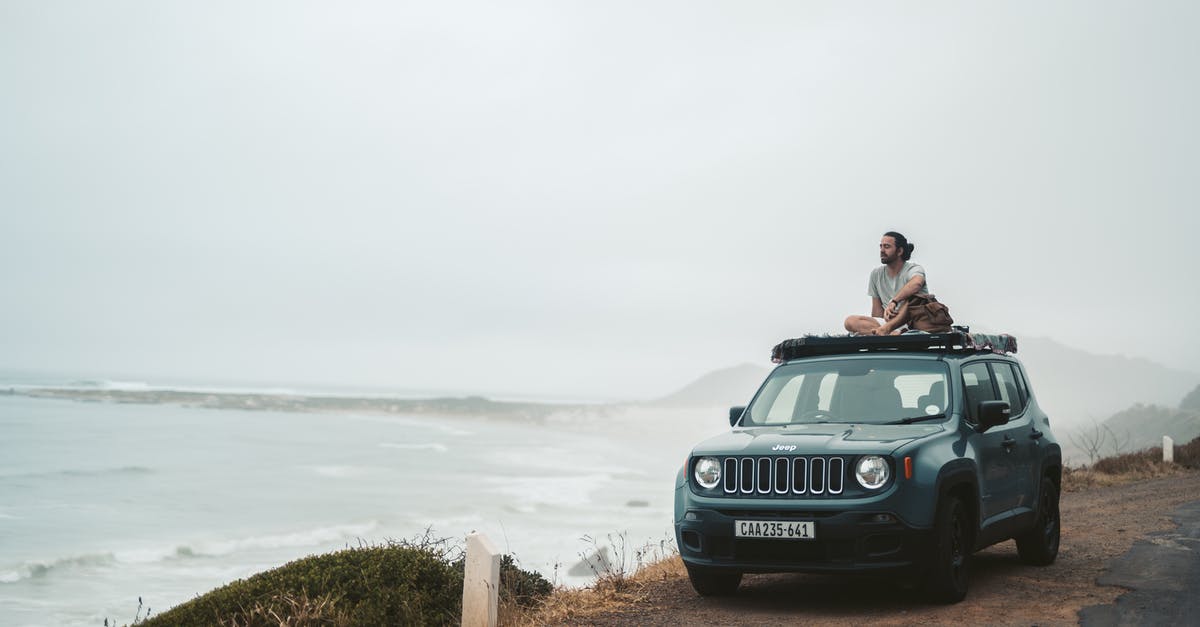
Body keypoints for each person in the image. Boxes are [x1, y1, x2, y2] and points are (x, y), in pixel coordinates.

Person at [844, 231, 929, 336]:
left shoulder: (914, 269)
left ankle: (890, 330)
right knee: (850, 321)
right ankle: (891, 332)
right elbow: (877, 313)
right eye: (881, 246)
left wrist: (894, 301)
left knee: (913, 299)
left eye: (887, 247)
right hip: (889, 324)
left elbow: (917, 283)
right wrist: (873, 325)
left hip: (912, 320)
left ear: (899, 251)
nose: (882, 250)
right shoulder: (876, 274)